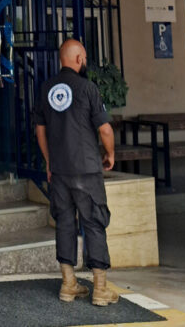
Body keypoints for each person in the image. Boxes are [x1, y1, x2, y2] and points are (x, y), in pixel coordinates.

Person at [33, 39, 118, 306]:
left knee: (65, 223)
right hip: (86, 169)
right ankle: (100, 289)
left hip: (59, 171)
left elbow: (40, 130)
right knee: (93, 222)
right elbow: (104, 129)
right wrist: (111, 153)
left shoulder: (46, 88)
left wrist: (49, 161)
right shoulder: (87, 88)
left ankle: (68, 284)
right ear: (79, 59)